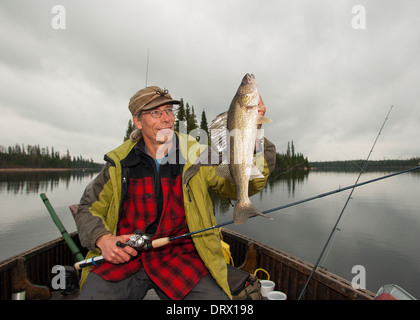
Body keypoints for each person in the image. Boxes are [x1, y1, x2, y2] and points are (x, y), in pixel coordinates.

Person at [75, 86, 276, 300]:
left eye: (169, 111)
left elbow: (236, 185)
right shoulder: (118, 163)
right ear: (138, 121)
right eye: (156, 112)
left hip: (181, 256)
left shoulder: (196, 155)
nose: (166, 119)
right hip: (125, 257)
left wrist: (254, 138)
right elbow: (88, 208)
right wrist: (104, 239)